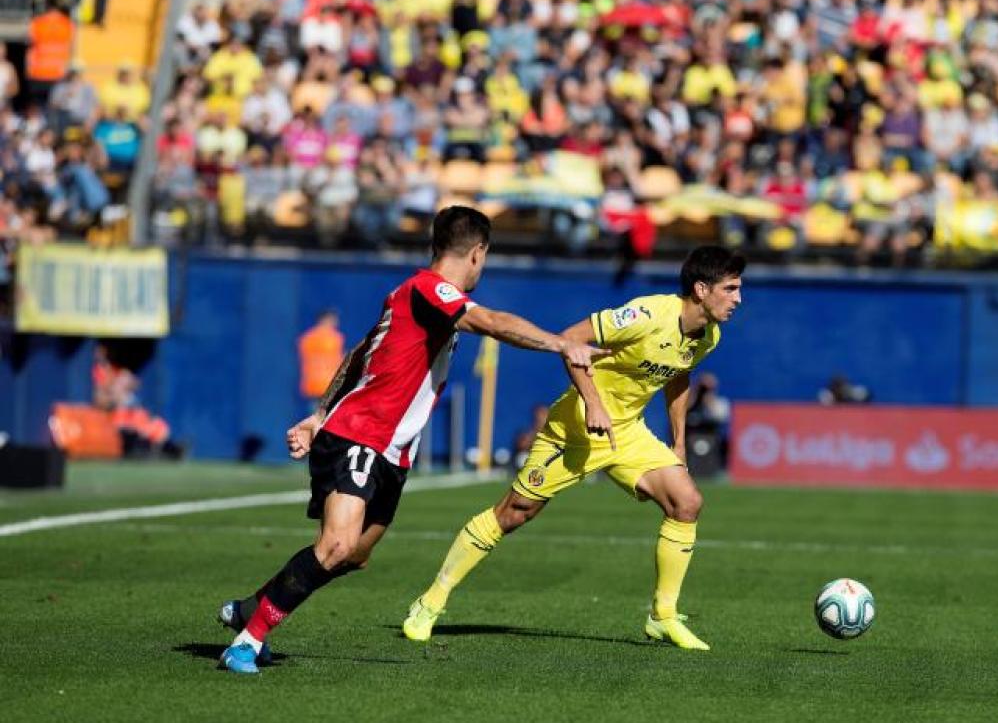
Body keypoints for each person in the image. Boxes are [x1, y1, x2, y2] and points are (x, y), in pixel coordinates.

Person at [216, 205, 608, 674]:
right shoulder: (429, 288)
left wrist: (317, 413)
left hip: (391, 449)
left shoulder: (412, 298)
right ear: (478, 253)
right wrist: (561, 343)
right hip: (361, 433)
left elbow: (363, 351)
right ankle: (246, 641)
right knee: (337, 546)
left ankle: (251, 608)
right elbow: (491, 322)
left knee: (355, 555)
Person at [402, 246, 745, 651]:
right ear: (701, 289)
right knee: (514, 513)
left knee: (687, 503)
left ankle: (663, 617)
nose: (738, 299)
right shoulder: (649, 315)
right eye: (731, 288)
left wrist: (679, 442)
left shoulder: (710, 335)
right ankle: (430, 603)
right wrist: (594, 404)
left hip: (627, 433)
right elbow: (570, 339)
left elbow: (678, 376)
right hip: (576, 426)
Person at [298, 310, 345, 410]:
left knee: (315, 412)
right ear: (327, 320)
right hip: (329, 383)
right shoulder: (334, 338)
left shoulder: (307, 338)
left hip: (312, 384)